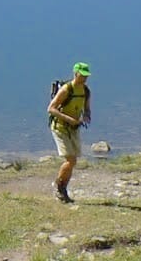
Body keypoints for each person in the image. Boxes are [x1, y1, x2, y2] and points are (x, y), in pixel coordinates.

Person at [46, 61, 92, 203]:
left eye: (86, 76)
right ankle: (59, 188)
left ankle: (63, 188)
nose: (84, 79)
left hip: (74, 128)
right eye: (82, 75)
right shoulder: (66, 89)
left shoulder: (86, 91)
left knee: (73, 161)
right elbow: (51, 108)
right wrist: (69, 119)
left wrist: (86, 116)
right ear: (75, 73)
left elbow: (87, 108)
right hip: (60, 127)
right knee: (70, 160)